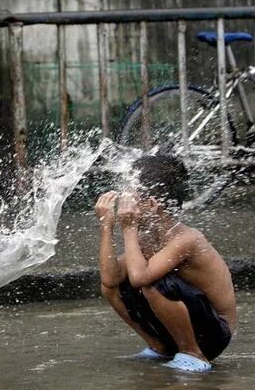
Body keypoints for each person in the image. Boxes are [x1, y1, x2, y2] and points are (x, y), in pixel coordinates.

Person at [94, 154, 235, 372]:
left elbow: (141, 277)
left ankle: (193, 353)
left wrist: (129, 229)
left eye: (132, 196)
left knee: (151, 283)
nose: (124, 202)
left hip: (214, 334)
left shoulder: (186, 239)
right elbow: (110, 278)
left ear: (152, 204)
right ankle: (158, 346)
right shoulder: (148, 237)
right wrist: (106, 227)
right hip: (181, 327)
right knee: (110, 287)